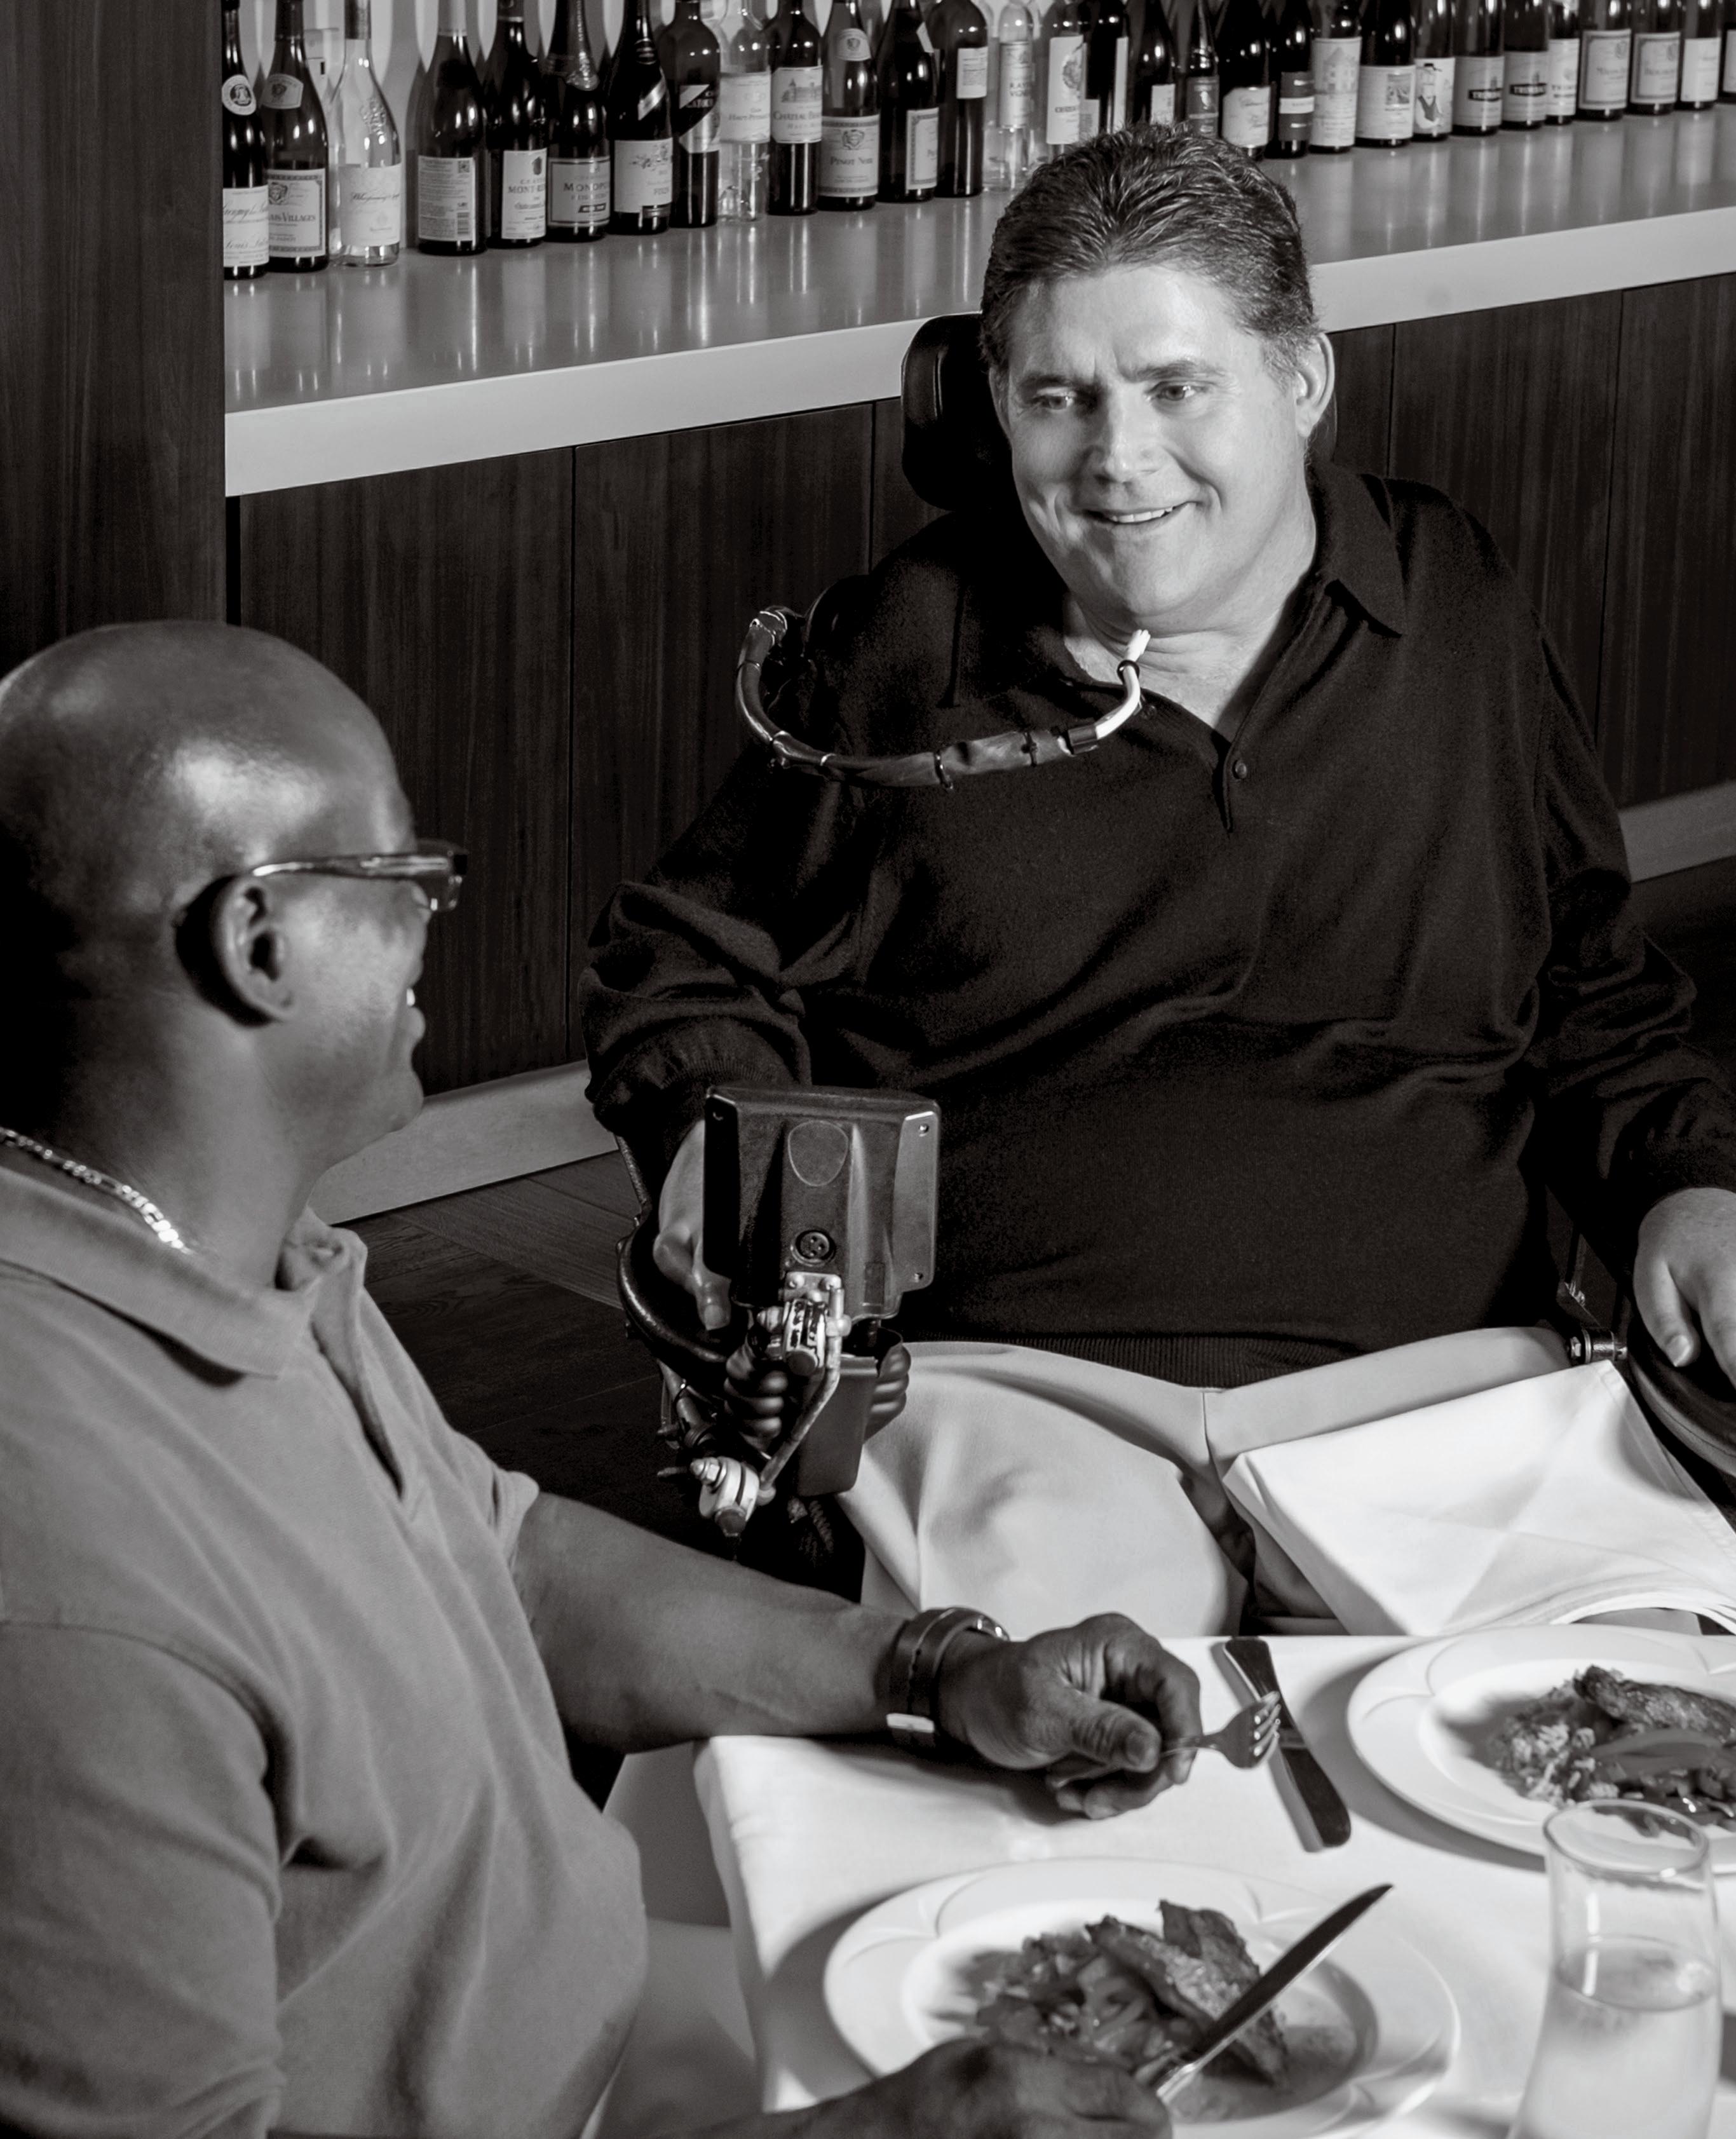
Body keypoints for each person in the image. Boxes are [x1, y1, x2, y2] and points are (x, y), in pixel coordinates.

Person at [0, 620, 1202, 2139]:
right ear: (260, 941)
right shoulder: (66, 1581)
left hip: (630, 2036)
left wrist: (936, 1672)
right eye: (406, 877)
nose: (433, 919)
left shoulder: (238, 1252)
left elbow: (510, 1566)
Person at [584, 128, 1736, 1418]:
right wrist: (710, 1132)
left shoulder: (1449, 597)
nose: (1118, 456)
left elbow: (1587, 982)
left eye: (1176, 388)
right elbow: (683, 959)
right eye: (1058, 398)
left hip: (1452, 1390)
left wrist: (1688, 1188)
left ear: (1301, 377)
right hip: (1016, 1398)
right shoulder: (906, 649)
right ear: (994, 408)